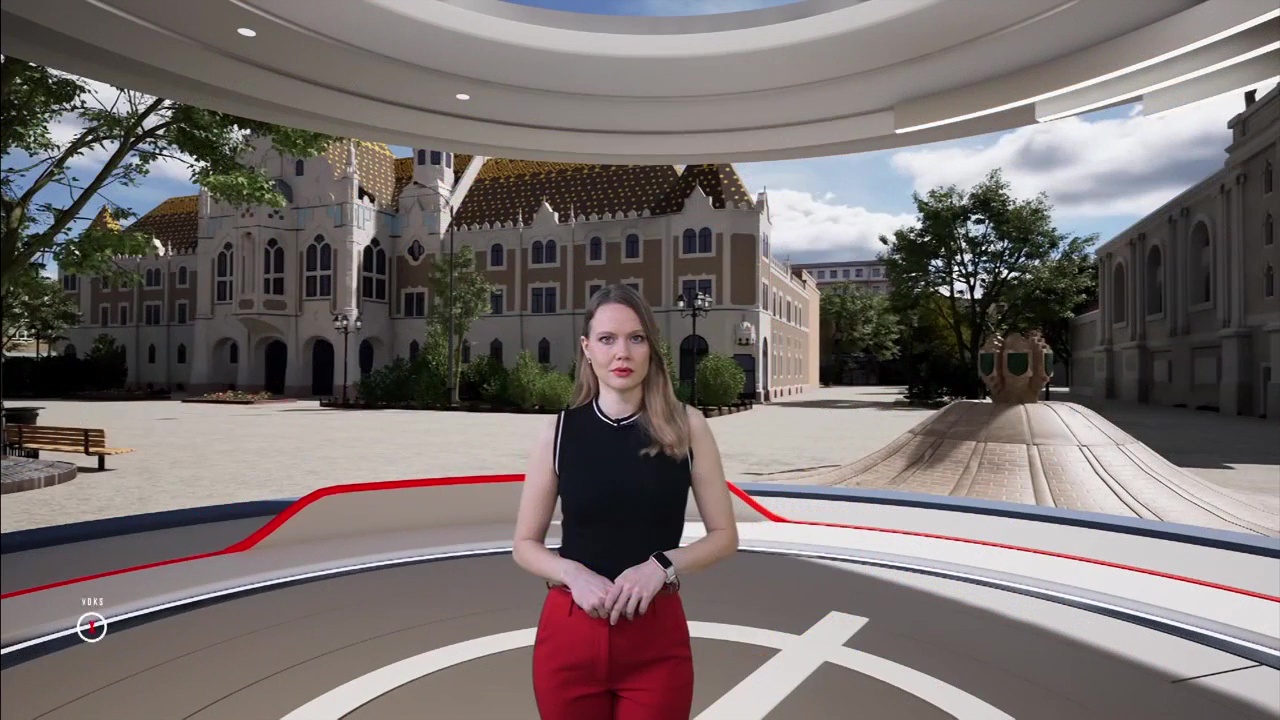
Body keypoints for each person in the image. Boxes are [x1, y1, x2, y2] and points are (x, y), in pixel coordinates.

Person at [512, 283, 740, 720]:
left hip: (655, 638)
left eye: (636, 338)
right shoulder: (558, 432)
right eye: (607, 339)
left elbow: (724, 536)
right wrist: (572, 573)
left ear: (651, 347)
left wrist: (660, 566)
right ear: (587, 348)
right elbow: (524, 544)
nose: (622, 353)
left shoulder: (688, 426)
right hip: (570, 634)